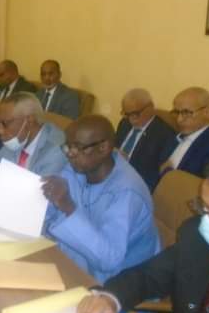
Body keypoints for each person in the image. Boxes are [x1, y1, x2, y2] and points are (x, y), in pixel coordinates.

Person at [74, 156, 209, 313]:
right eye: (204, 208)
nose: (208, 222)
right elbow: (150, 275)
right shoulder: (198, 235)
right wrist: (109, 298)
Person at [42, 115, 160, 283]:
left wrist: (68, 206)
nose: (70, 154)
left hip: (117, 285)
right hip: (75, 264)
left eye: (77, 147)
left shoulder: (127, 192)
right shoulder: (76, 168)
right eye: (68, 147)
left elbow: (109, 260)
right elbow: (49, 214)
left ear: (103, 148)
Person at [115, 88, 176, 191]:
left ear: (150, 107)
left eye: (135, 114)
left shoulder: (164, 135)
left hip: (134, 185)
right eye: (127, 114)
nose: (131, 119)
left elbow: (157, 175)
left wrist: (128, 163)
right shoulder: (124, 123)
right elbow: (115, 146)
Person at [160, 86, 209, 178]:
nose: (179, 119)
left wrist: (166, 172)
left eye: (186, 113)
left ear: (206, 112)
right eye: (176, 112)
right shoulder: (173, 136)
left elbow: (202, 184)